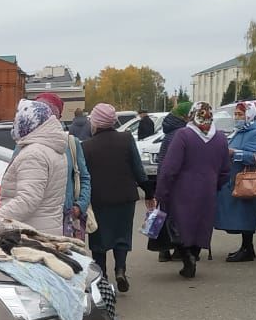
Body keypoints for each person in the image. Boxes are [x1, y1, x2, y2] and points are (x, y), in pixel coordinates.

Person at [155, 102, 232, 278]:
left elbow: (169, 168)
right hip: (208, 190)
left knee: (181, 225)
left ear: (192, 115)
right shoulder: (220, 138)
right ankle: (195, 254)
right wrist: (216, 184)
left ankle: (187, 256)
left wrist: (161, 191)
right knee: (201, 224)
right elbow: (226, 169)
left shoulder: (183, 135)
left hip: (181, 190)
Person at [83, 103, 152, 292]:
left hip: (99, 199)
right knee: (122, 236)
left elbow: (83, 175)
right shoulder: (126, 138)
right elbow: (138, 168)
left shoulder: (86, 146)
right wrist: (149, 191)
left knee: (99, 240)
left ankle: (102, 277)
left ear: (96, 122)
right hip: (125, 197)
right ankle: (120, 269)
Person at [0, 99, 68, 235]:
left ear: (28, 121)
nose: (14, 123)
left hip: (30, 232)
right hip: (47, 228)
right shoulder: (51, 148)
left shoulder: (34, 154)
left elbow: (27, 200)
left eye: (17, 118)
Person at [214, 101, 256, 262]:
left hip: (247, 181)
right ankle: (246, 247)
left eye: (240, 114)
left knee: (246, 213)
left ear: (250, 114)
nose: (237, 117)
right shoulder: (240, 131)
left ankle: (247, 248)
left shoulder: (255, 132)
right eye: (236, 114)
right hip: (236, 179)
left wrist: (234, 153)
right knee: (240, 213)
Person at [34, 92, 91, 239]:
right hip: (34, 221)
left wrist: (80, 206)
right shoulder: (23, 144)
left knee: (69, 260)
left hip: (67, 218)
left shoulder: (71, 143)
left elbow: (84, 177)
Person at [154, 101, 191, 262]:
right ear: (185, 116)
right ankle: (177, 248)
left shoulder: (170, 131)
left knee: (163, 213)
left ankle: (163, 250)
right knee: (176, 216)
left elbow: (163, 161)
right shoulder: (182, 133)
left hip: (164, 177)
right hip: (176, 180)